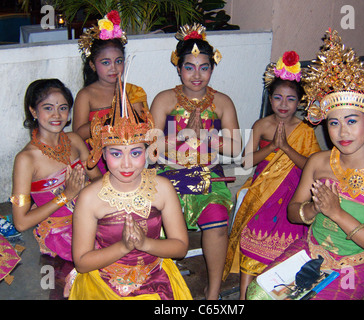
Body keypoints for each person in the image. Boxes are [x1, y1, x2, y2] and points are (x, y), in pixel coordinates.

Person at [246, 29, 364, 300]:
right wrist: (315, 208)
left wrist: (336, 213)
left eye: (352, 121)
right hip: (309, 251)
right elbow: (294, 213)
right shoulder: (318, 162)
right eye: (334, 122)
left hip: (353, 266)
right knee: (257, 293)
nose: (342, 132)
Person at [67, 74, 192, 300]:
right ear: (102, 154)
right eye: (116, 153)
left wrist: (145, 243)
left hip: (156, 279)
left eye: (135, 153)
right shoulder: (90, 197)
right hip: (103, 282)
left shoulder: (162, 188)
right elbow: (82, 262)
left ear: (148, 152)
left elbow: (181, 247)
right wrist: (123, 248)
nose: (126, 164)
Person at [150, 23, 241, 300]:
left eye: (204, 67)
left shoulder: (222, 103)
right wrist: (184, 137)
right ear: (179, 69)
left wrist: (210, 139)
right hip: (168, 175)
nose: (197, 75)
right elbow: (150, 146)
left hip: (207, 176)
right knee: (154, 224)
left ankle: (213, 291)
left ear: (213, 68)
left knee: (216, 222)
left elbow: (237, 148)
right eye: (189, 67)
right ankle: (159, 286)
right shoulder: (164, 99)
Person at [222, 51, 321, 299]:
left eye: (290, 99)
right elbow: (245, 160)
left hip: (292, 193)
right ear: (270, 98)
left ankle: (278, 292)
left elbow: (312, 166)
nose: (283, 104)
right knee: (252, 236)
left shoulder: (305, 130)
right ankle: (244, 296)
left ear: (299, 102)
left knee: (286, 244)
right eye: (277, 97)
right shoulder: (262, 125)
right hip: (262, 192)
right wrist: (272, 147)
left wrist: (286, 148)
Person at [10, 79, 101, 261]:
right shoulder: (26, 159)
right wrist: (66, 195)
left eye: (63, 108)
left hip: (93, 213)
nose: (57, 115)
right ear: (33, 111)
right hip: (60, 230)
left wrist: (86, 188)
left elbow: (99, 179)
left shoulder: (74, 140)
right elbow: (21, 223)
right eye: (48, 108)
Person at [73, 10, 148, 173]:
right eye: (105, 62)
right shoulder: (86, 95)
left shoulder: (132, 91)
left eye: (118, 61)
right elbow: (77, 134)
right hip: (95, 157)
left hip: (127, 155)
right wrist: (108, 119)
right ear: (93, 65)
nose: (113, 68)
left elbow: (143, 128)